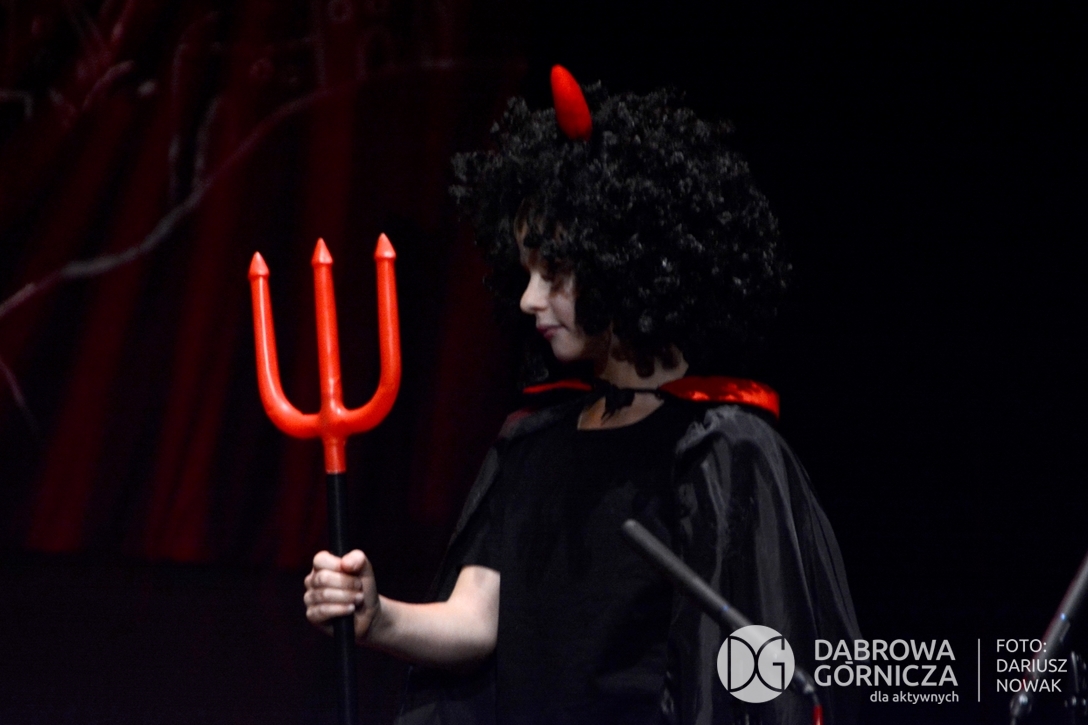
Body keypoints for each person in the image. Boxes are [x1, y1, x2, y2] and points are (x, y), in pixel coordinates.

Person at [304, 67, 861, 724]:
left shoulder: (719, 449)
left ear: (629, 259)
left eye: (555, 272)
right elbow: (477, 619)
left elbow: (753, 674)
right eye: (526, 272)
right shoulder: (531, 441)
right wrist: (377, 616)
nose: (528, 298)